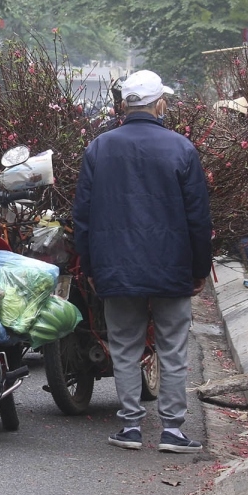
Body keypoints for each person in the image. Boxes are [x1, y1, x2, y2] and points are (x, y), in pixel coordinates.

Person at [72, 69, 212, 454]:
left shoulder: (99, 148)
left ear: (123, 105)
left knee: (125, 346)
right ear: (160, 104)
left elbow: (81, 215)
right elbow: (198, 218)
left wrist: (89, 267)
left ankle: (131, 426)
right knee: (172, 348)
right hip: (172, 265)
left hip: (116, 267)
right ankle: (171, 430)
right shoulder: (181, 148)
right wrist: (200, 268)